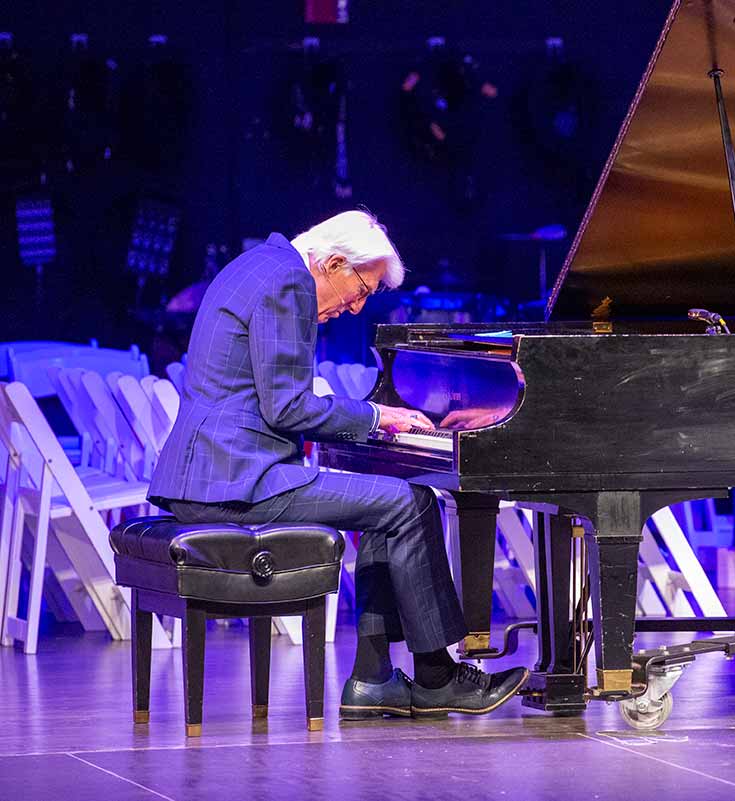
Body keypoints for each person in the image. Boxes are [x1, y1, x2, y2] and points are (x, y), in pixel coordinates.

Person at [147, 210, 527, 719]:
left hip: (216, 473)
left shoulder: (259, 264)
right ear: (332, 263)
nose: (355, 308)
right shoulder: (287, 282)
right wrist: (375, 416)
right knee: (410, 504)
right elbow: (287, 408)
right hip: (237, 480)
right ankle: (436, 678)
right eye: (360, 290)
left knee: (385, 504)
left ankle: (373, 680)